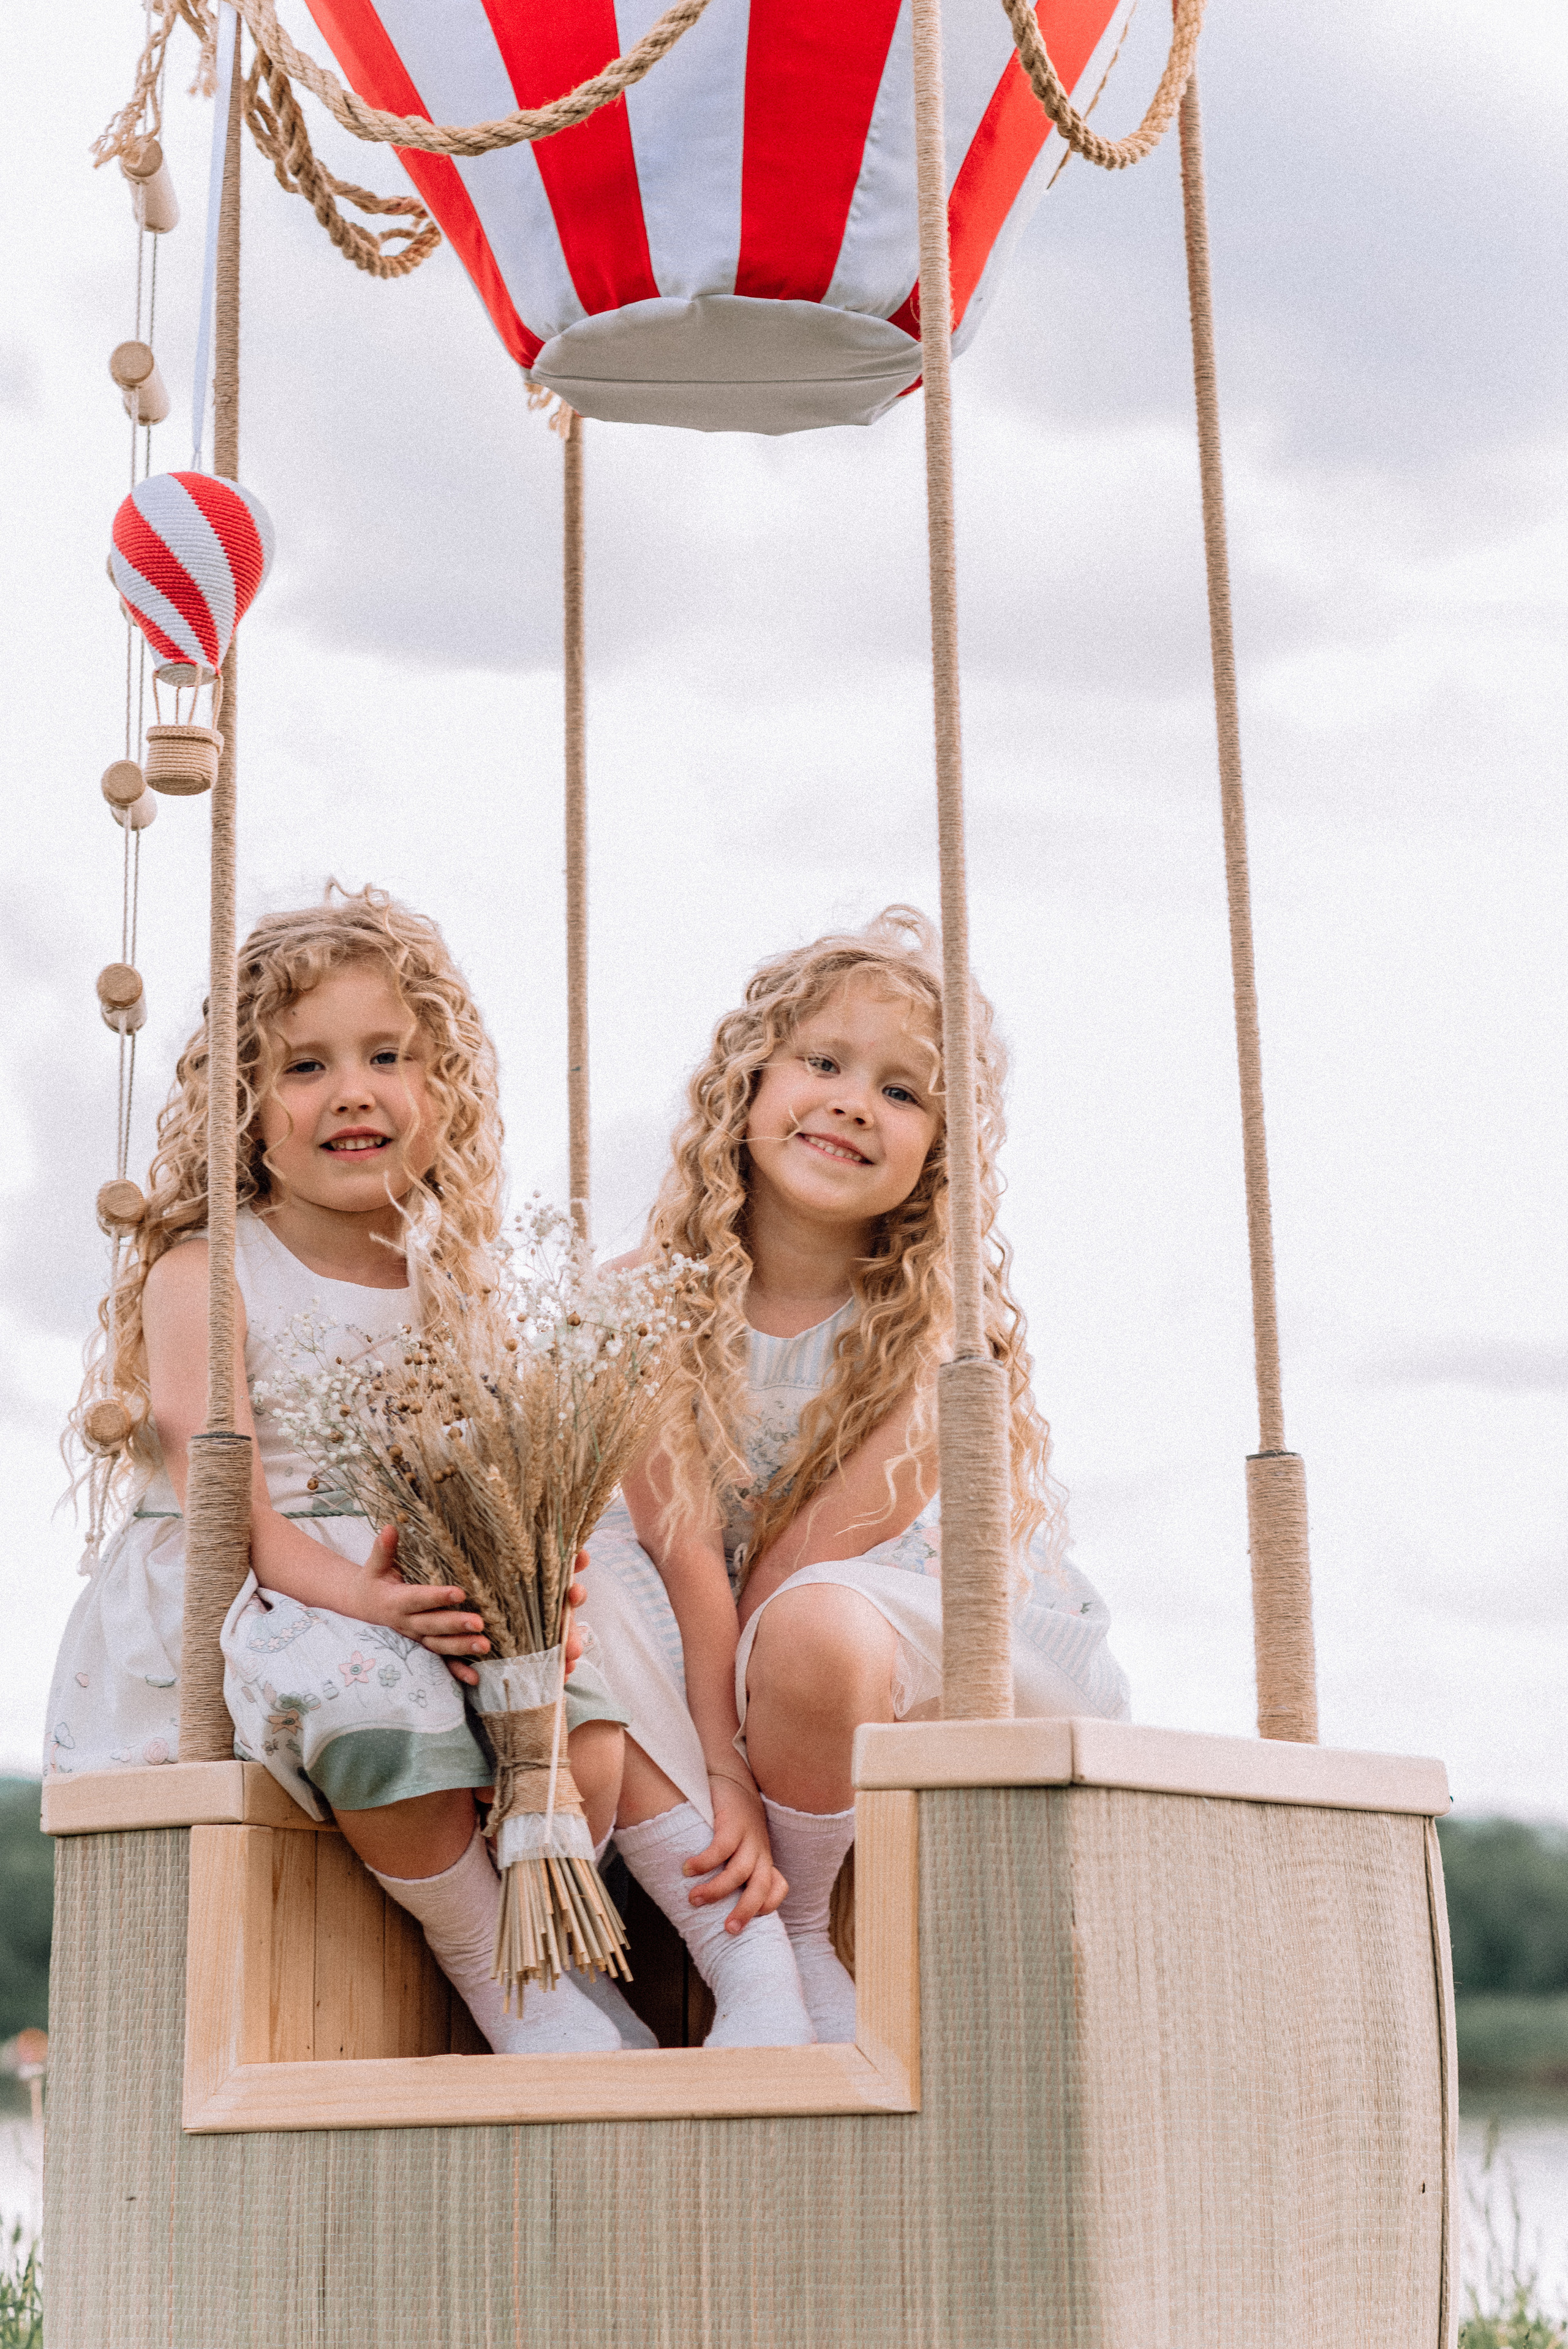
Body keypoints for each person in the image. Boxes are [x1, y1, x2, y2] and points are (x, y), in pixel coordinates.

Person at [48, 885, 644, 2055]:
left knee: (580, 1717)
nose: (352, 1090)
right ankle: (500, 1981)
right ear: (245, 1110)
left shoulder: (449, 1277)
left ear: (440, 1092)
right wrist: (367, 1598)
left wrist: (525, 1590)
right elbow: (233, 1506)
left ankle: (561, 1945)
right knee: (382, 1704)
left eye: (386, 1054)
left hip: (410, 1573)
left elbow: (493, 1469)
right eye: (305, 1066)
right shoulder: (205, 1269)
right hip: (261, 1581)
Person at [581, 907, 1129, 2044]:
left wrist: (730, 1741)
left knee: (810, 1625)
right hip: (698, 1594)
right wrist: (722, 1764)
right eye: (821, 1063)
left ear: (942, 1153)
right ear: (747, 1084)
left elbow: (795, 1564)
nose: (849, 1102)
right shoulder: (643, 1296)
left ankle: (800, 1927)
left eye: (900, 1090)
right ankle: (744, 1956)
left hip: (864, 1598)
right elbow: (685, 1551)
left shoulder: (940, 1335)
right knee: (565, 1596)